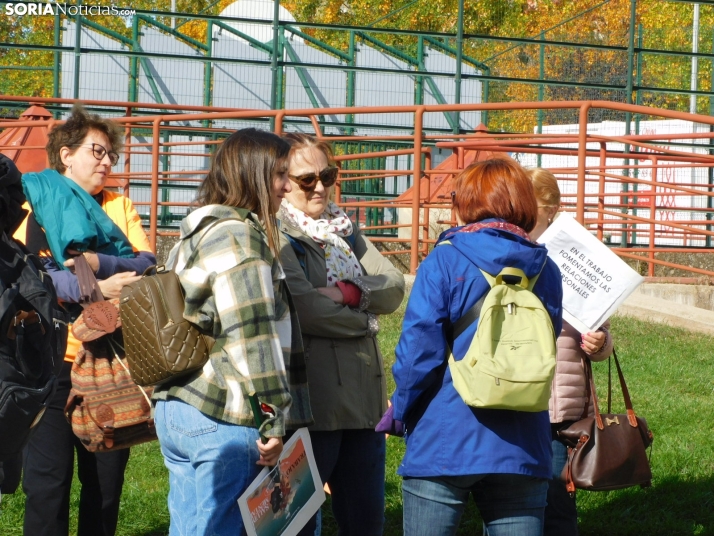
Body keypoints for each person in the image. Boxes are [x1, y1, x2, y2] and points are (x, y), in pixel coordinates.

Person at [392, 157, 563, 536]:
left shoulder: (446, 259)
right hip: (523, 441)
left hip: (445, 435)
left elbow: (418, 351)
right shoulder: (546, 269)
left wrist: (400, 411)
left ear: (466, 202)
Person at [153, 128, 312, 535]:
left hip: (179, 408)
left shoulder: (196, 231)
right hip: (225, 414)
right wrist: (274, 420)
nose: (286, 186)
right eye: (279, 174)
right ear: (253, 175)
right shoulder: (240, 238)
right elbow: (253, 338)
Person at [18, 104, 156, 536]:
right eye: (97, 152)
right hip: (51, 363)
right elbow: (31, 278)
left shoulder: (119, 205)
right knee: (47, 487)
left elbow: (148, 264)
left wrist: (93, 260)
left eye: (112, 155)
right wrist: (94, 287)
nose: (106, 162)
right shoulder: (32, 203)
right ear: (66, 155)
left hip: (112, 364)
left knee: (106, 487)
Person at [277, 132, 405, 536]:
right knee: (295, 521)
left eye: (326, 175)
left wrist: (348, 292)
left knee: (366, 521)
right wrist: (367, 318)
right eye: (305, 180)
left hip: (364, 403)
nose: (319, 186)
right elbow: (308, 311)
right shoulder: (279, 235)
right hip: (312, 405)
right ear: (282, 181)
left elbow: (395, 284)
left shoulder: (345, 230)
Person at [528, 167, 613, 536]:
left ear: (552, 209)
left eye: (532, 205)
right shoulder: (507, 248)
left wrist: (599, 344)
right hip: (516, 396)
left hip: (560, 406)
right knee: (513, 498)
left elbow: (603, 336)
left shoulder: (578, 256)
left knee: (557, 500)